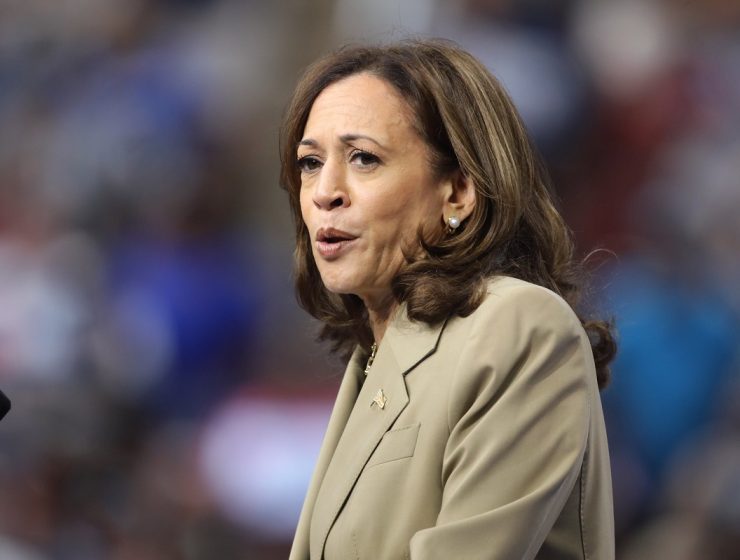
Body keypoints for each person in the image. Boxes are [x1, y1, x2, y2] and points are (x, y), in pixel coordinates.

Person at [280, 39, 616, 560]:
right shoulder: (374, 356)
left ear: (457, 192)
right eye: (310, 162)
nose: (325, 191)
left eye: (364, 158)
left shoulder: (519, 325)